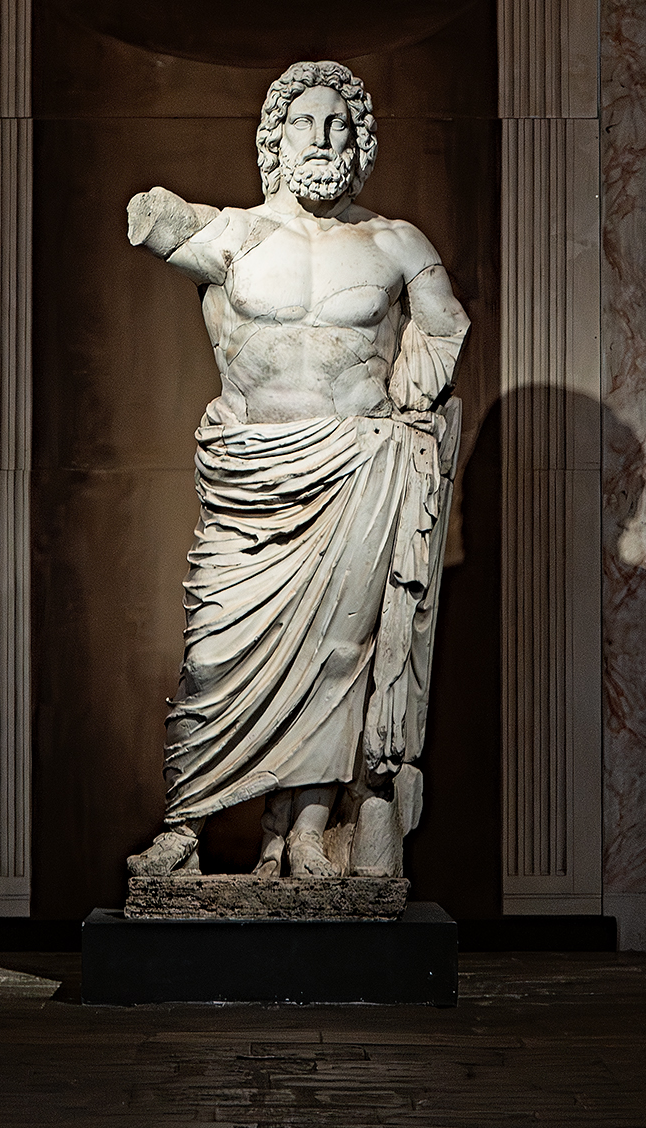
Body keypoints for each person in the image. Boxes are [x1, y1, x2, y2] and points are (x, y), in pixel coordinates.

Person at [125, 62, 469, 882]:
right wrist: (160, 215)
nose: (321, 140)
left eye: (338, 125)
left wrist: (408, 410)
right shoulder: (236, 235)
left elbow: (445, 330)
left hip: (358, 469)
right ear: (273, 142)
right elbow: (155, 224)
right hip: (253, 476)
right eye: (303, 125)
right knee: (213, 654)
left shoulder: (395, 243)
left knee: (338, 654)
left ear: (361, 144)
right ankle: (184, 827)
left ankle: (308, 831)